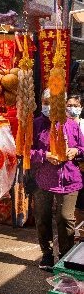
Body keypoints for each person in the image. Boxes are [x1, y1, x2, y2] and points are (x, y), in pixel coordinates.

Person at [32, 89, 84, 271]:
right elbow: (26, 151)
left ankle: (65, 256)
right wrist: (44, 155)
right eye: (45, 102)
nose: (49, 106)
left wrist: (76, 151)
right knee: (42, 219)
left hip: (69, 179)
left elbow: (82, 148)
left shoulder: (72, 125)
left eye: (53, 102)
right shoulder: (36, 124)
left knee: (65, 219)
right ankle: (47, 255)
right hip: (43, 180)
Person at [66, 96, 84, 226]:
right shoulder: (61, 125)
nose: (72, 108)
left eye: (76, 106)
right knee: (75, 206)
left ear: (81, 108)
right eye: (69, 105)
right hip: (69, 171)